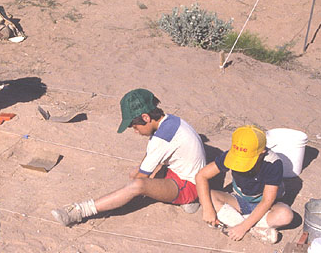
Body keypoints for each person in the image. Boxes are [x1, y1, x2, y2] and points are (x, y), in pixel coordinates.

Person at [51, 89, 206, 226]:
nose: (135, 131)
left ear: (145, 117)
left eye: (135, 126)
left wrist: (130, 191)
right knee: (135, 174)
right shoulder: (169, 120)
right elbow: (148, 159)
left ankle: (81, 211)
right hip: (180, 172)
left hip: (190, 185)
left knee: (137, 185)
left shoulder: (162, 139)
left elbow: (140, 178)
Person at [195, 125, 294, 243]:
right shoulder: (231, 155)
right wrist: (207, 209)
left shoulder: (273, 163)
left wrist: (243, 227)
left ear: (262, 153)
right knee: (208, 196)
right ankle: (255, 229)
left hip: (264, 205)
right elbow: (201, 176)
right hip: (238, 199)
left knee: (285, 215)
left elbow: (267, 200)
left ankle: (237, 223)